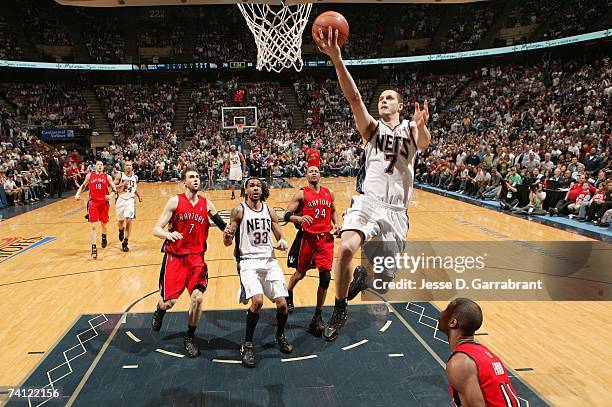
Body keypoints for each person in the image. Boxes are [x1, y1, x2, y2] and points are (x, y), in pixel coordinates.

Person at [314, 27, 430, 341]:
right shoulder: (372, 130)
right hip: (369, 202)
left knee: (383, 280)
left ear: (401, 106)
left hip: (396, 213)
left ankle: (364, 278)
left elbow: (423, 141)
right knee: (347, 247)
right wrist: (337, 58)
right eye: (380, 98)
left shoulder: (410, 130)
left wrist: (422, 125)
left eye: (389, 98)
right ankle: (339, 307)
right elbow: (353, 97)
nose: (383, 101)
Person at [150, 169, 227, 358]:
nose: (195, 180)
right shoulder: (175, 201)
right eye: (191, 177)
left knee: (198, 298)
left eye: (197, 177)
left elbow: (223, 225)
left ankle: (189, 338)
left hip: (196, 258)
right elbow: (156, 229)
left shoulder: (206, 203)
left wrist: (235, 230)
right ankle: (160, 310)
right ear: (184, 182)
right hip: (175, 256)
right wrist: (168, 234)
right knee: (169, 302)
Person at [223, 177, 292, 367]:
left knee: (283, 305)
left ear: (262, 190)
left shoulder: (269, 210)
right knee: (258, 301)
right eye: (251, 185)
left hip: (270, 261)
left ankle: (280, 336)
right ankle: (247, 345)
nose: (255, 188)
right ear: (245, 189)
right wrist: (227, 238)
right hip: (248, 262)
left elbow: (279, 233)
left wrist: (282, 241)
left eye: (258, 186)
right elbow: (228, 241)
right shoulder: (239, 210)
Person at [284, 166, 338, 336]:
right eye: (310, 171)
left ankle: (317, 316)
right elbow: (286, 214)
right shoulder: (301, 193)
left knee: (326, 277)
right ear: (306, 175)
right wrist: (297, 218)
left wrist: (336, 224)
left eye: (316, 171)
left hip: (325, 240)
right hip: (307, 239)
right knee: (300, 274)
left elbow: (333, 210)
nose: (314, 173)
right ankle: (289, 292)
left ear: (320, 174)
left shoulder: (329, 193)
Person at [438, 298, 521, 407]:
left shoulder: (460, 363)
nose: (442, 312)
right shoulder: (483, 352)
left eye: (446, 309)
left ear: (453, 322)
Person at [75, 161, 118, 259]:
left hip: (104, 203)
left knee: (104, 224)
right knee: (94, 225)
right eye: (98, 164)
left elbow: (114, 190)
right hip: (93, 203)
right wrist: (77, 194)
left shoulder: (107, 177)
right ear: (95, 166)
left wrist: (110, 196)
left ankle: (104, 236)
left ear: (103, 167)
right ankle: (94, 248)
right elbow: (83, 186)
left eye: (101, 165)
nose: (99, 166)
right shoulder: (90, 176)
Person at [114, 160, 142, 252]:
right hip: (120, 199)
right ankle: (121, 230)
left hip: (130, 200)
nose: (129, 167)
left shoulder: (135, 176)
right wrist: (122, 184)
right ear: (124, 167)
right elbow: (113, 187)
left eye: (130, 165)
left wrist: (139, 196)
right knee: (120, 221)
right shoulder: (120, 175)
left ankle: (125, 242)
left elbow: (134, 188)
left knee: (129, 220)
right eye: (127, 165)